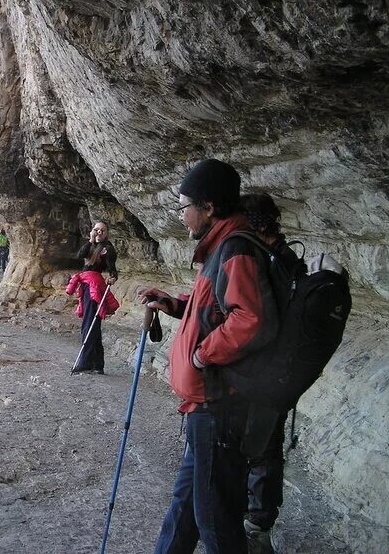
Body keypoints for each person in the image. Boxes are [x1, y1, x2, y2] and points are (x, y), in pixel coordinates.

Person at [136, 159, 279, 554]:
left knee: (215, 517)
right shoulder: (221, 248)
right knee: (186, 507)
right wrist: (174, 304)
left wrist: (200, 356)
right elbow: (215, 309)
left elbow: (250, 318)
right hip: (206, 405)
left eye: (184, 206)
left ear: (209, 207)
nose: (181, 216)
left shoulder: (234, 249)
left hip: (220, 406)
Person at [239, 193, 296, 554]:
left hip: (257, 369)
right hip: (282, 370)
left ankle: (253, 527)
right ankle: (258, 523)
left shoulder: (260, 260)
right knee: (267, 448)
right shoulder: (290, 258)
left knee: (256, 449)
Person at [69, 221, 118, 374]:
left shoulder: (108, 249)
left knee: (89, 322)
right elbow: (80, 255)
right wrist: (90, 240)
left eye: (102, 231)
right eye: (96, 230)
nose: (99, 233)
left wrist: (113, 278)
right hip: (86, 285)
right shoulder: (90, 246)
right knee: (93, 323)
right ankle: (98, 364)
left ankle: (85, 362)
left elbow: (113, 270)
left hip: (94, 286)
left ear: (107, 234)